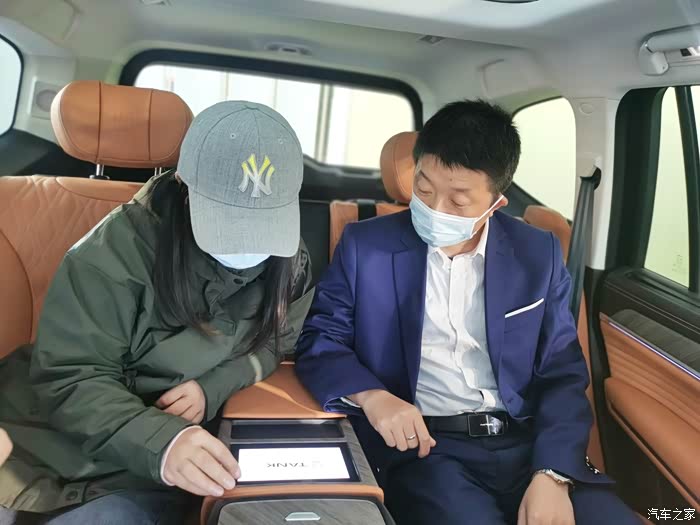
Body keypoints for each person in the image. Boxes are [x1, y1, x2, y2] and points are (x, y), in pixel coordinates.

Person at [295, 100, 640, 525]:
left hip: (530, 446)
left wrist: (552, 473)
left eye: (458, 201)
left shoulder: (537, 254)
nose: (435, 209)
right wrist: (373, 397)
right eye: (424, 189)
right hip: (428, 450)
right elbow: (320, 339)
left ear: (496, 202)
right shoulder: (365, 246)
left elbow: (562, 372)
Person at [0, 101, 314, 525]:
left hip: (153, 472)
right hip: (49, 442)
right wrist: (163, 443)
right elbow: (72, 376)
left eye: (262, 223)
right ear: (184, 184)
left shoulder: (290, 258)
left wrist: (212, 387)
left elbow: (279, 338)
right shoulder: (112, 252)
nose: (246, 244)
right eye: (226, 220)